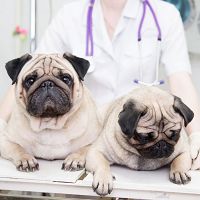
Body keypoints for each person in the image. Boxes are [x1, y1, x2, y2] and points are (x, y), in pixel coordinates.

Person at [1, 0, 200, 169]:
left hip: (141, 140)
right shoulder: (70, 14)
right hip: (89, 143)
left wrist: (196, 134)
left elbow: (181, 79)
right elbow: (31, 74)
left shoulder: (165, 14)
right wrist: (1, 121)